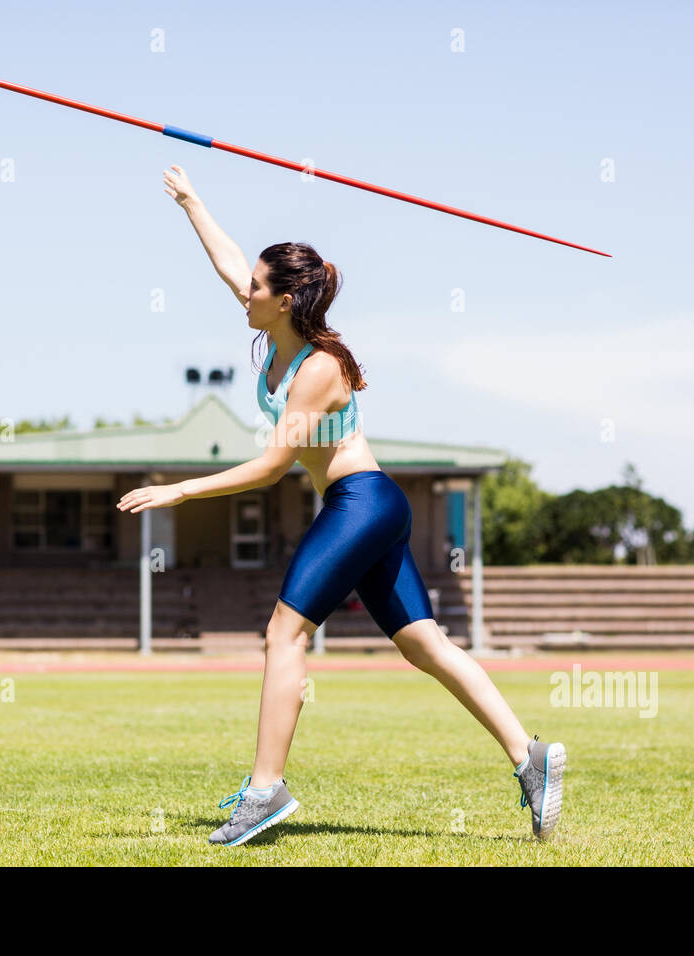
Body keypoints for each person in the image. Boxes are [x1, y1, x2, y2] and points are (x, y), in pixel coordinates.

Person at [116, 165, 565, 847]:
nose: (247, 294)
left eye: (259, 290)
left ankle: (266, 790)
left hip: (362, 502)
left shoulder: (318, 368)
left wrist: (179, 488)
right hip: (365, 505)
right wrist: (191, 203)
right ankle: (529, 759)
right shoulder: (274, 331)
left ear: (287, 299)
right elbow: (231, 264)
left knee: (283, 633)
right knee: (424, 644)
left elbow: (272, 467)